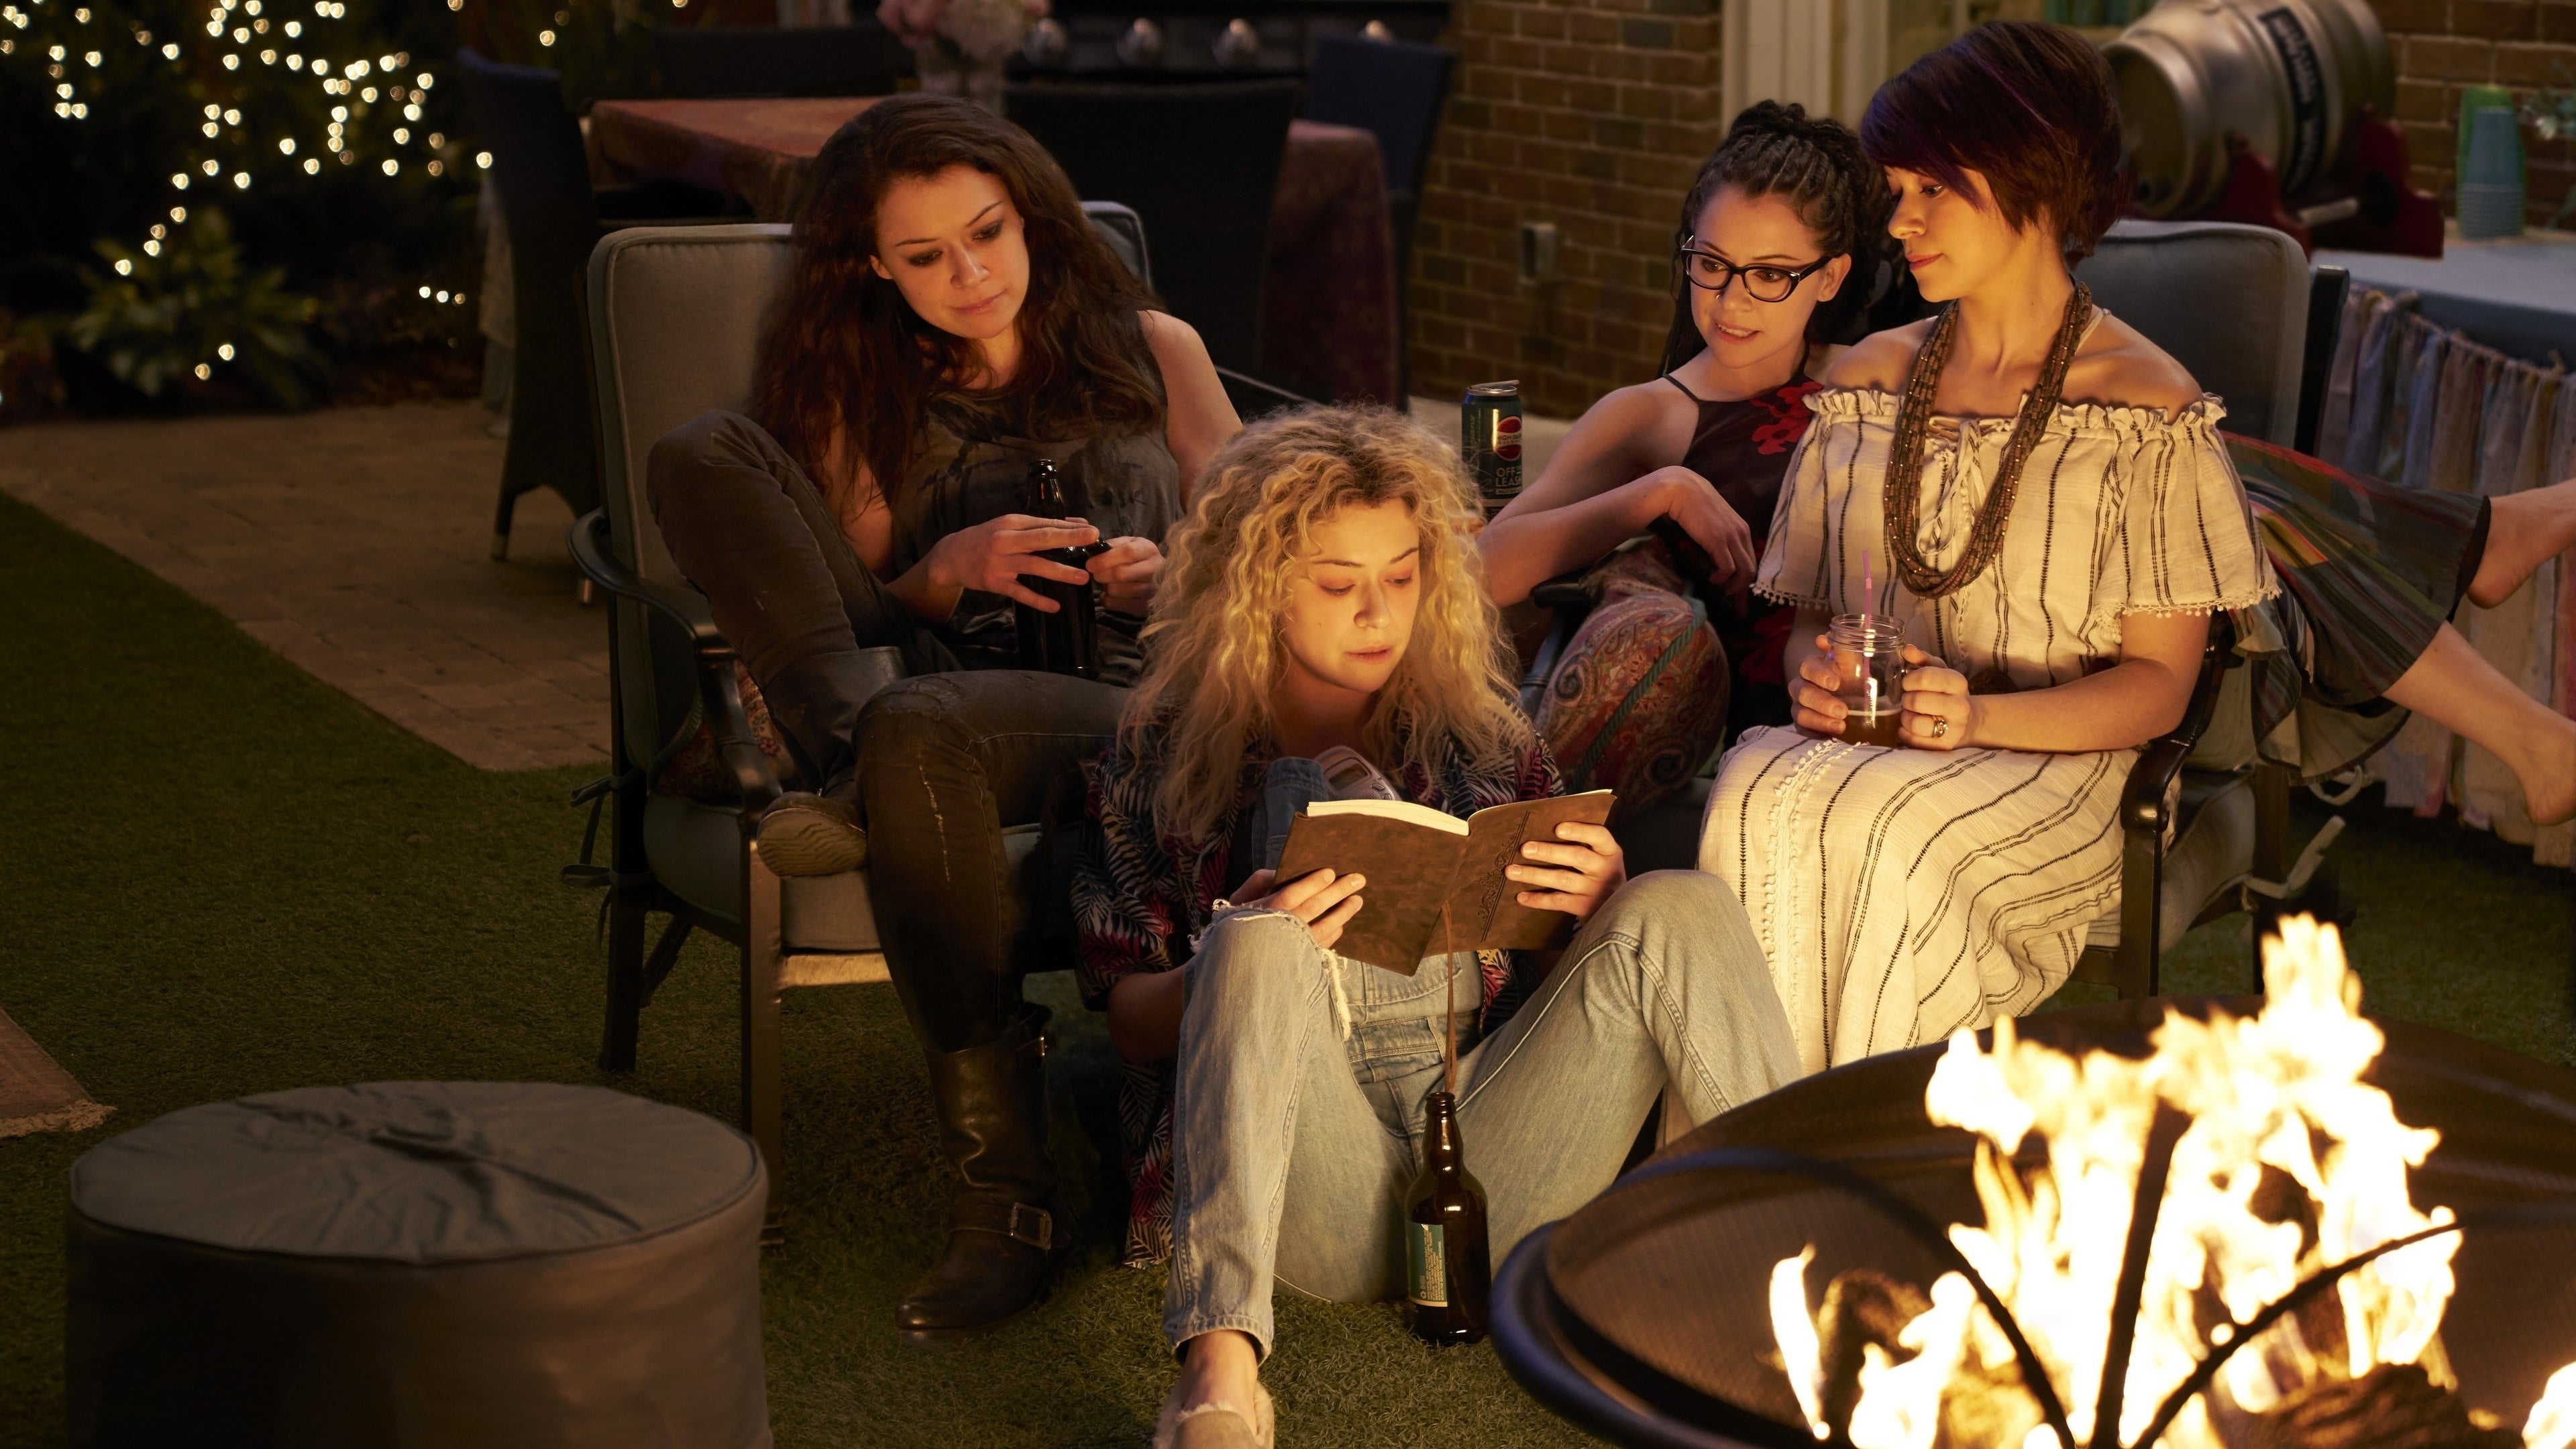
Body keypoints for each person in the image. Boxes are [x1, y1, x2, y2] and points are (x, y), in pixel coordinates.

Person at [1698, 20, 2576, 1077]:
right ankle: (1756, 1157)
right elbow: (1810, 633)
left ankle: (1865, 1144)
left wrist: (1974, 718)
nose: (1902, 221)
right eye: (1897, 191)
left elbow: (2159, 687)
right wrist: (1822, 675)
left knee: (1881, 833)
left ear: (2030, 178)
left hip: (2053, 766)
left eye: (1932, 189)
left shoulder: (2148, 405)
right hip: (1878, 753)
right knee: (1750, 791)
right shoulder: (1866, 384)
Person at [1074, 407, 1800, 1449]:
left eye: (1403, 576)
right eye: (1339, 584)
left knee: (1677, 900)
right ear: (1259, 586)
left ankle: (1800, 1279)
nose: (1378, 612)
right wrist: (1232, 951)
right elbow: (1124, 1018)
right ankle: (1219, 1379)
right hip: (1300, 1182)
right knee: (1255, 936)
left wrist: (1592, 904)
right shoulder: (1158, 754)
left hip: (1487, 1155)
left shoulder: (1480, 739)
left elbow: (1563, 980)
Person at [646, 93, 1242, 1344]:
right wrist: (945, 570)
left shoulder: (1155, 346)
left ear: (1028, 216)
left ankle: (1003, 1198)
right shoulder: (851, 379)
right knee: (703, 451)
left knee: (915, 724)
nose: (970, 275)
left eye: (987, 234)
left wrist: (1176, 571)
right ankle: (855, 760)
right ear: (873, 263)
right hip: (923, 698)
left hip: (1120, 703)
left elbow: (1263, 542)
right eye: (925, 256)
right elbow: (850, 607)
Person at [1477, 103, 1898, 813]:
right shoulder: (1651, 416)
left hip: (1903, 690)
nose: (1731, 301)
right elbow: (1481, 569)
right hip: (1768, 742)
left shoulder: (1880, 376)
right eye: (1711, 264)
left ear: (1830, 278)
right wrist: (1659, 492)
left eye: (1771, 275)